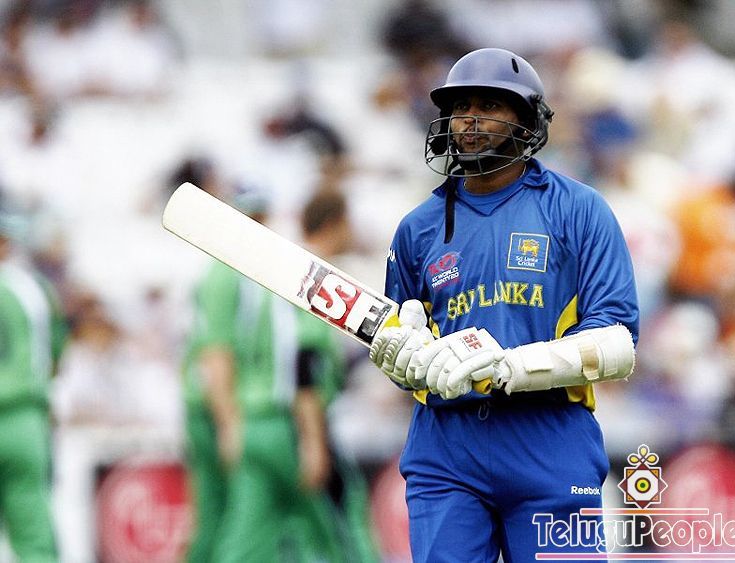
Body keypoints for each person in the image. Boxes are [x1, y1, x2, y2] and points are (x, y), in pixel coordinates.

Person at [369, 48, 639, 562]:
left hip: (550, 439)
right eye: (460, 107)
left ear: (528, 118)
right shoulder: (417, 229)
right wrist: (400, 360)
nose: (470, 119)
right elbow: (404, 345)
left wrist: (510, 366)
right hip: (446, 449)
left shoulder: (579, 209)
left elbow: (618, 342)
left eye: (489, 105)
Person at [182, 185, 345, 563]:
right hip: (245, 412)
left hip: (236, 408)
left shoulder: (239, 270)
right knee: (320, 526)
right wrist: (229, 423)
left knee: (236, 527)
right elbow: (219, 354)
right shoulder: (235, 272)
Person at [0, 209, 66, 562]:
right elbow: (53, 356)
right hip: (23, 417)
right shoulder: (31, 288)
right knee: (33, 538)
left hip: (23, 415)